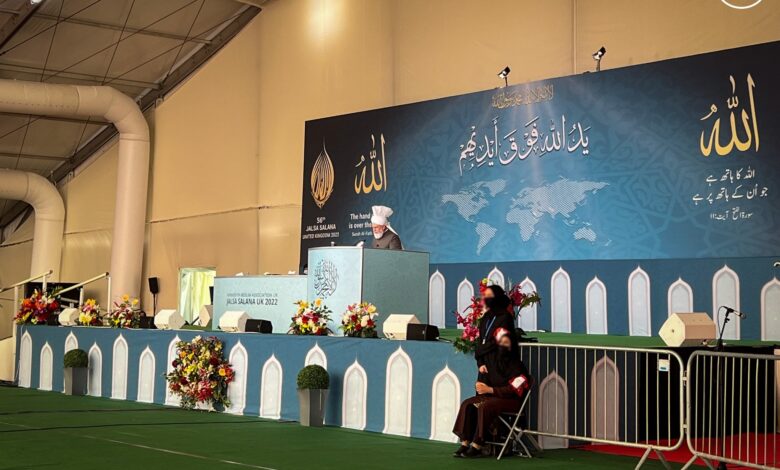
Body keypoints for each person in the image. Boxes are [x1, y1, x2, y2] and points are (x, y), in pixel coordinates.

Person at [452, 328, 531, 458]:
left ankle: (478, 445)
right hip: (492, 397)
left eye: (506, 343)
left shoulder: (517, 365)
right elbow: (484, 381)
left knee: (485, 406)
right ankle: (465, 442)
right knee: (468, 404)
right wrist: (480, 386)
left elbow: (515, 389)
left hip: (511, 400)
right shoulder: (492, 362)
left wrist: (491, 390)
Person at [474, 285, 516, 383]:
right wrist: (480, 363)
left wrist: (479, 351)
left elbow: (498, 340)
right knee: (481, 392)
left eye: (489, 295)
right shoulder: (486, 317)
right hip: (484, 367)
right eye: (485, 295)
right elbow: (481, 339)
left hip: (499, 365)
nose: (486, 298)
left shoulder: (505, 317)